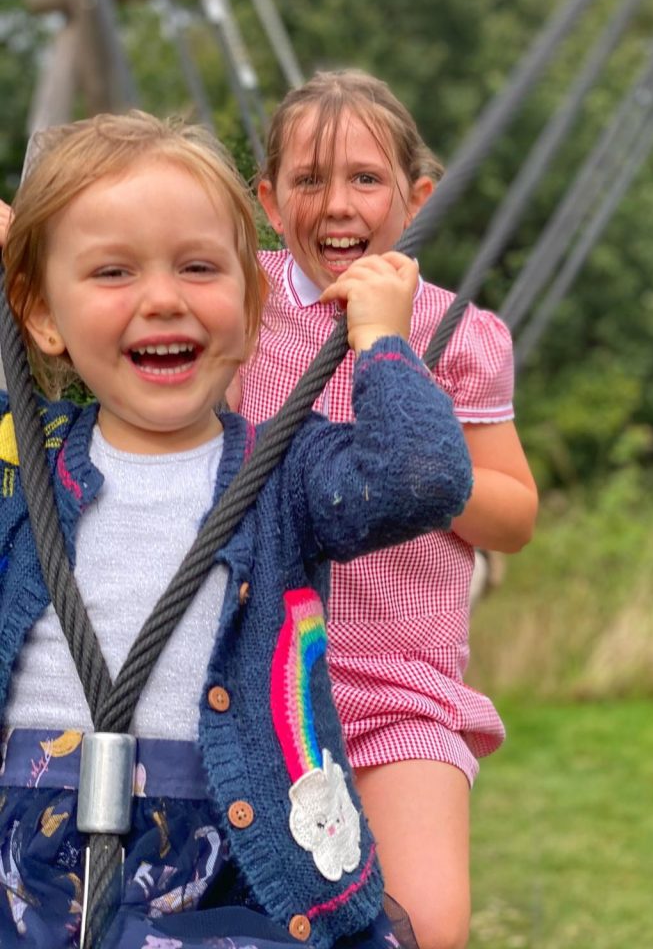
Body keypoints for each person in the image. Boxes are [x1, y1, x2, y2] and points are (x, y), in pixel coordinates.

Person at [0, 110, 473, 949]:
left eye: (199, 267)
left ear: (252, 308)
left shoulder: (287, 468)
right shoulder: (24, 457)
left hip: (237, 854)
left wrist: (384, 346)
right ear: (42, 317)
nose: (162, 299)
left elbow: (422, 479)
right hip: (30, 865)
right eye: (112, 271)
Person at [235, 69, 539, 949]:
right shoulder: (237, 306)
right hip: (257, 670)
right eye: (307, 180)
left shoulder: (455, 335)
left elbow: (513, 514)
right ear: (267, 199)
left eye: (365, 179)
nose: (337, 204)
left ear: (417, 197)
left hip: (398, 683)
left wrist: (420, 466)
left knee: (427, 924)